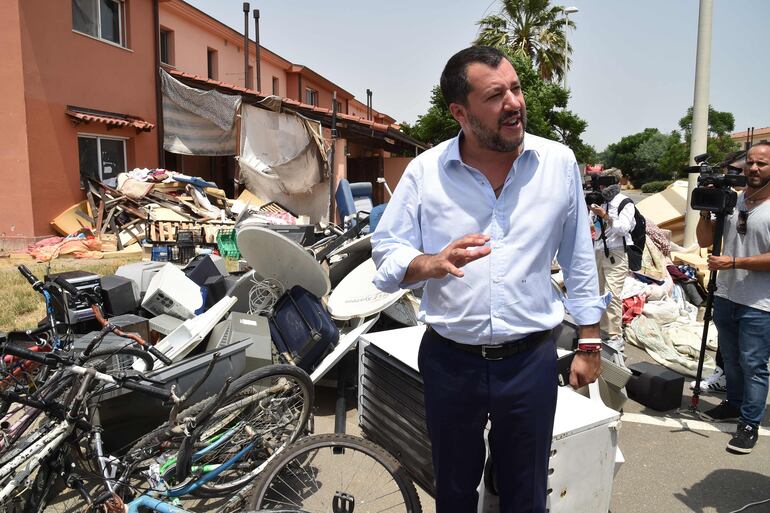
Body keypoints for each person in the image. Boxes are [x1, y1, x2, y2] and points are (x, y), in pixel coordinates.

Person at [371, 45, 608, 513]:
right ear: (460, 112)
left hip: (530, 363)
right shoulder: (426, 173)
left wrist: (590, 340)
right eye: (496, 95)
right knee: (455, 491)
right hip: (449, 362)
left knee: (526, 491)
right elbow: (387, 251)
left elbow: (579, 257)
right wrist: (429, 262)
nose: (515, 103)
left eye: (516, 89)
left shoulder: (557, 163)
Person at [696, 142, 770, 454]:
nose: (753, 169)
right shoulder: (734, 200)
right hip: (726, 294)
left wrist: (735, 262)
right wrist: (706, 211)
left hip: (760, 302)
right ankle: (734, 403)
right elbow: (704, 239)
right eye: (749, 163)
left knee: (754, 364)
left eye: (761, 164)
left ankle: (750, 422)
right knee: (732, 361)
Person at [588, 168, 636, 357]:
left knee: (612, 294)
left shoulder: (624, 203)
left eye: (605, 182)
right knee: (598, 293)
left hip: (616, 253)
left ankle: (616, 337)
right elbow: (592, 228)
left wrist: (605, 216)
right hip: (599, 251)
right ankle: (600, 331)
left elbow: (623, 229)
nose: (601, 186)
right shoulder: (599, 203)